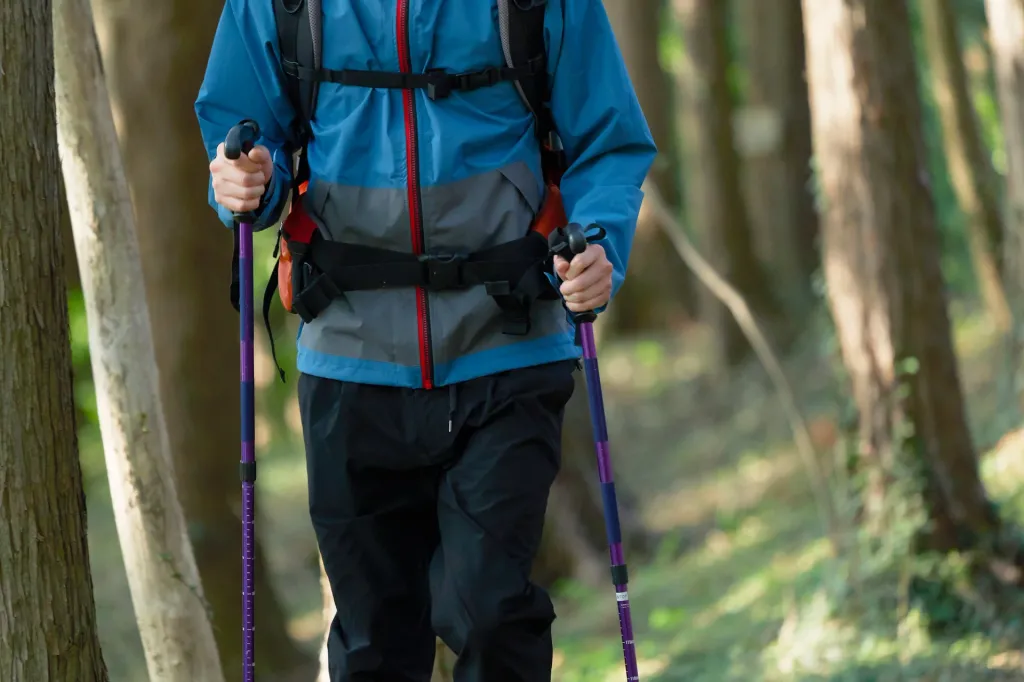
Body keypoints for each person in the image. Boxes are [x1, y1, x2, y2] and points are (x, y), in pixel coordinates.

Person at [195, 1, 655, 680]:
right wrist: (240, 182)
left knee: (492, 617)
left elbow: (608, 141)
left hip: (507, 345)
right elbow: (241, 143)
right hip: (350, 355)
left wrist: (599, 245)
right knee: (372, 643)